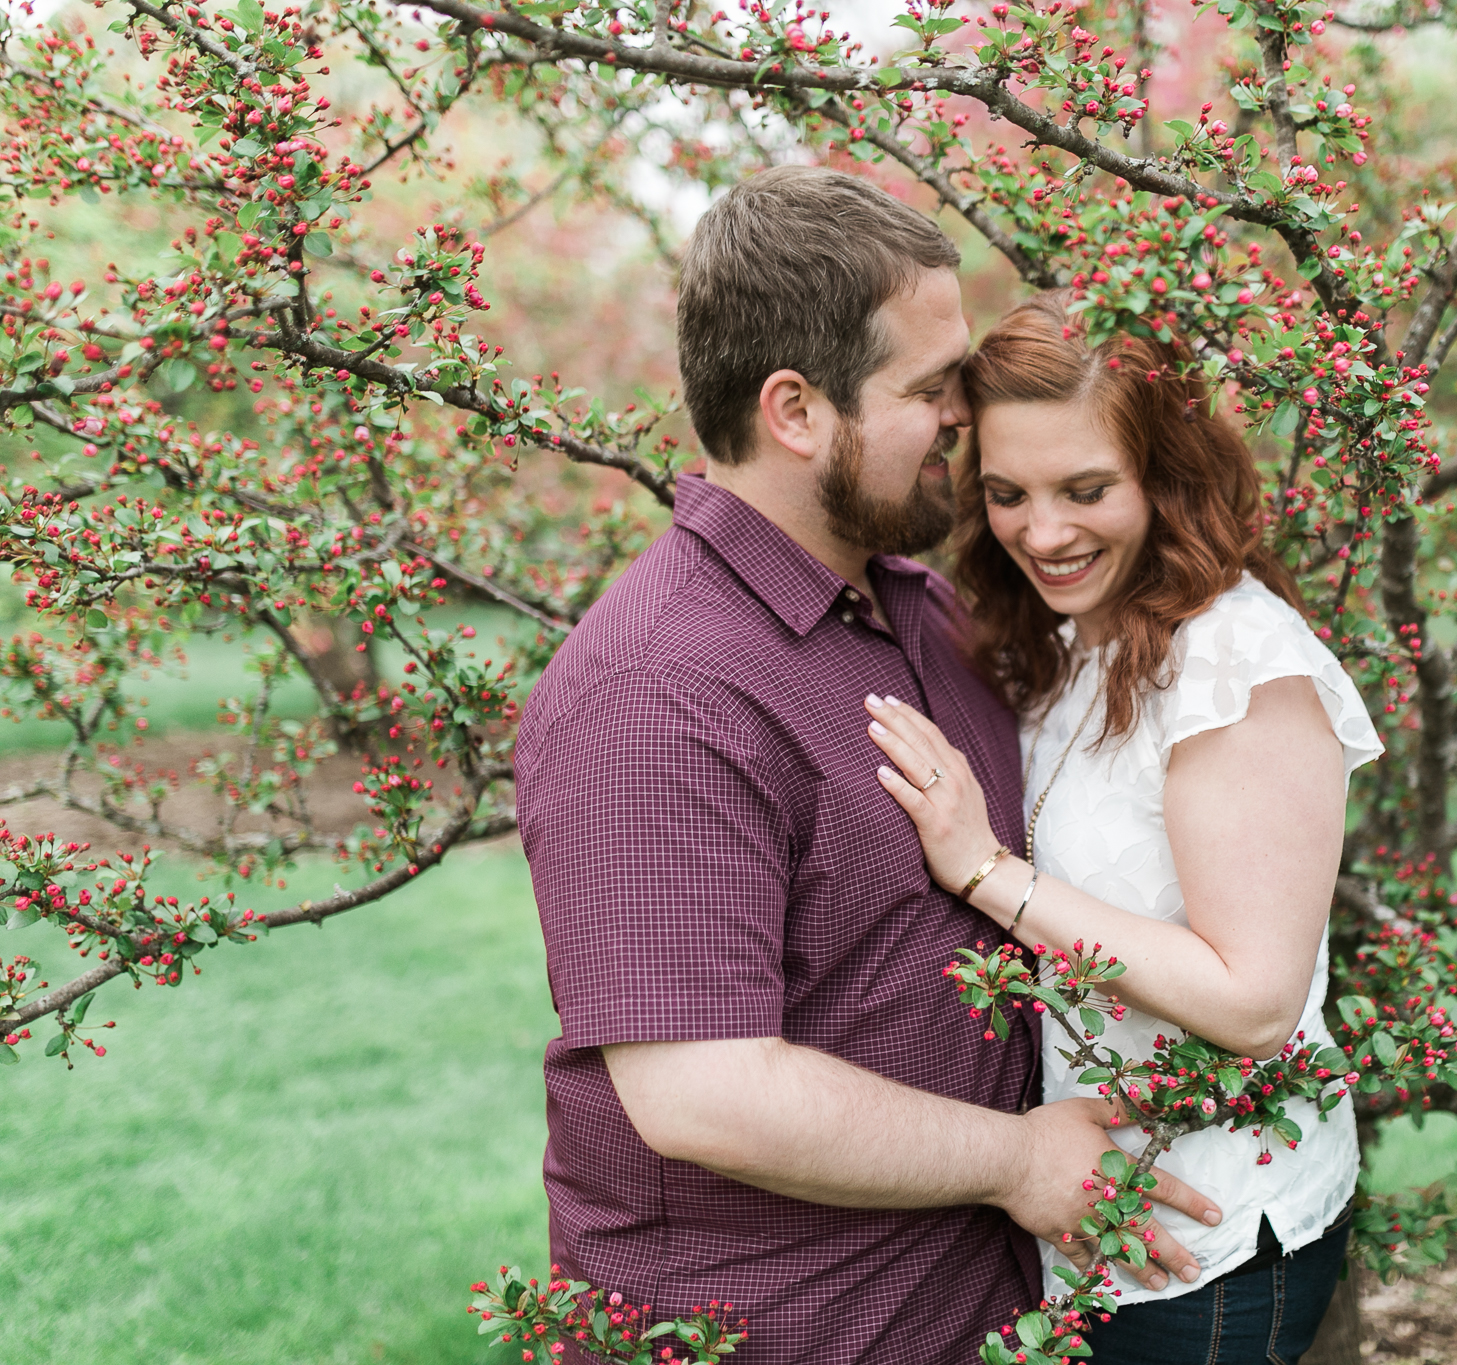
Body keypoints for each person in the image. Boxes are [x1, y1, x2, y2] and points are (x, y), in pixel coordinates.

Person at [513, 171, 1220, 1364]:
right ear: (797, 410)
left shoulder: (916, 607)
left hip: (974, 1312)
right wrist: (1020, 1159)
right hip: (785, 1331)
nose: (965, 414)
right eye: (931, 387)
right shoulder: (659, 691)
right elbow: (704, 1091)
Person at [863, 295, 1383, 1364]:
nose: (1040, 533)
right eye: (1007, 495)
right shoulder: (1066, 645)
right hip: (1087, 1223)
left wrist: (983, 872)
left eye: (1084, 490)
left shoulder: (1236, 667)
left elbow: (1250, 1001)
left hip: (1207, 1241)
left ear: (1166, 476)